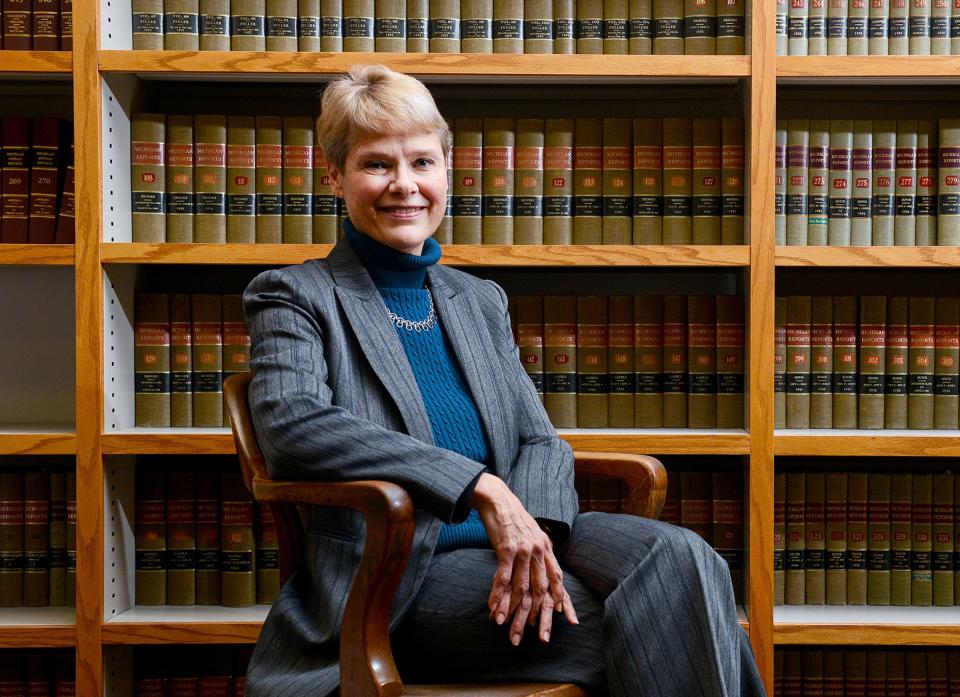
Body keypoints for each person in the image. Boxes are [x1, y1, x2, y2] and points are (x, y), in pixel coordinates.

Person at [242, 63, 766, 697]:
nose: (404, 185)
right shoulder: (296, 295)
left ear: (446, 172)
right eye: (377, 165)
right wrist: (479, 486)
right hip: (399, 576)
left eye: (422, 163)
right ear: (335, 177)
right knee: (659, 620)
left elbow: (538, 439)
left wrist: (533, 532)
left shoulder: (476, 299)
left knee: (687, 561)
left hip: (519, 542)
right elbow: (293, 425)